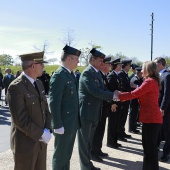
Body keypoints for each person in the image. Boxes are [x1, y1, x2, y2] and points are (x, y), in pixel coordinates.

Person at [7, 51, 52, 170]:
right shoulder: (16, 87)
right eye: (41, 64)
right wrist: (42, 133)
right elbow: (20, 120)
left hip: (40, 142)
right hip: (25, 144)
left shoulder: (39, 83)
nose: (43, 66)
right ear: (33, 66)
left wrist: (48, 129)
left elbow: (46, 110)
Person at [118, 61, 163, 170]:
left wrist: (117, 96)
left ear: (148, 70)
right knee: (148, 148)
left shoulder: (149, 81)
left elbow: (134, 94)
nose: (141, 71)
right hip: (151, 118)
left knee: (150, 149)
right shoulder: (152, 81)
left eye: (143, 69)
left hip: (151, 119)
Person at [78, 48, 117, 170]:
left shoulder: (96, 73)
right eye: (100, 60)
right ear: (92, 60)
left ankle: (88, 163)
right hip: (86, 112)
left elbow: (103, 90)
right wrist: (113, 95)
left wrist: (114, 94)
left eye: (102, 60)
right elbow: (95, 91)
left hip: (94, 112)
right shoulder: (87, 73)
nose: (102, 62)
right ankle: (85, 167)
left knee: (89, 142)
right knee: (84, 143)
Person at [49, 45, 81, 170]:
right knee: (60, 156)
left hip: (71, 122)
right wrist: (57, 124)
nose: (78, 62)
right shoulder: (59, 76)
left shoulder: (69, 74)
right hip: (63, 123)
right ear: (69, 59)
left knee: (67, 155)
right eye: (76, 59)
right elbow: (54, 103)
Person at [91, 56, 111, 163]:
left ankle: (98, 149)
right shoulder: (98, 75)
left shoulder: (103, 75)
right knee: (96, 131)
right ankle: (93, 152)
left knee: (101, 130)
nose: (109, 66)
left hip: (103, 108)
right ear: (103, 64)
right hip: (99, 108)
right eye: (108, 64)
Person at [154, 57, 170, 162]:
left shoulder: (167, 76)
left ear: (160, 63)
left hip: (166, 110)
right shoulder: (159, 75)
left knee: (167, 131)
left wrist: (162, 108)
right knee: (159, 130)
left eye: (155, 63)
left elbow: (167, 94)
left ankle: (166, 154)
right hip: (158, 108)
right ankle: (156, 148)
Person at [106, 58, 123, 149]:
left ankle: (115, 141)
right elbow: (110, 91)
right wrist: (112, 103)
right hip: (113, 103)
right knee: (112, 123)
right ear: (115, 66)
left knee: (116, 122)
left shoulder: (118, 76)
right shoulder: (111, 76)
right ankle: (110, 142)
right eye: (119, 65)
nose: (121, 66)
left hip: (118, 102)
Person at [118, 59, 133, 141]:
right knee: (121, 117)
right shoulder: (121, 74)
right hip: (123, 98)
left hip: (127, 98)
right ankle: (119, 134)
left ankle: (122, 132)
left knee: (124, 117)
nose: (130, 67)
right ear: (125, 65)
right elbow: (123, 87)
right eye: (129, 65)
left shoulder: (125, 74)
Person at [129, 67, 143, 134]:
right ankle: (131, 128)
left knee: (135, 113)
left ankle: (134, 126)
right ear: (139, 73)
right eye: (141, 73)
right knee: (133, 114)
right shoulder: (134, 79)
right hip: (133, 99)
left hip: (136, 99)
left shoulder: (138, 78)